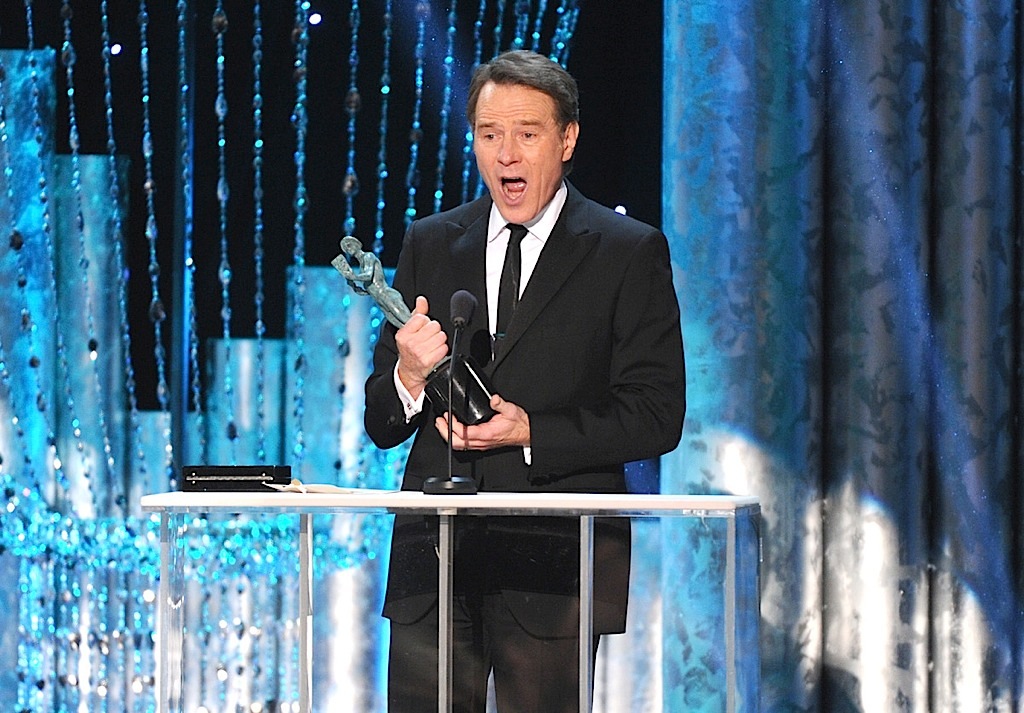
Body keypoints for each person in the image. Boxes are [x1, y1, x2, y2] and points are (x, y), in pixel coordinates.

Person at [363, 49, 686, 712]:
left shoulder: (627, 251)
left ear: (567, 139)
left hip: (554, 567)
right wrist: (407, 374)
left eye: (527, 134)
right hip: (435, 567)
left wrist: (532, 430)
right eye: (490, 135)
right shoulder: (431, 242)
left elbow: (656, 414)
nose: (506, 154)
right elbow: (381, 421)